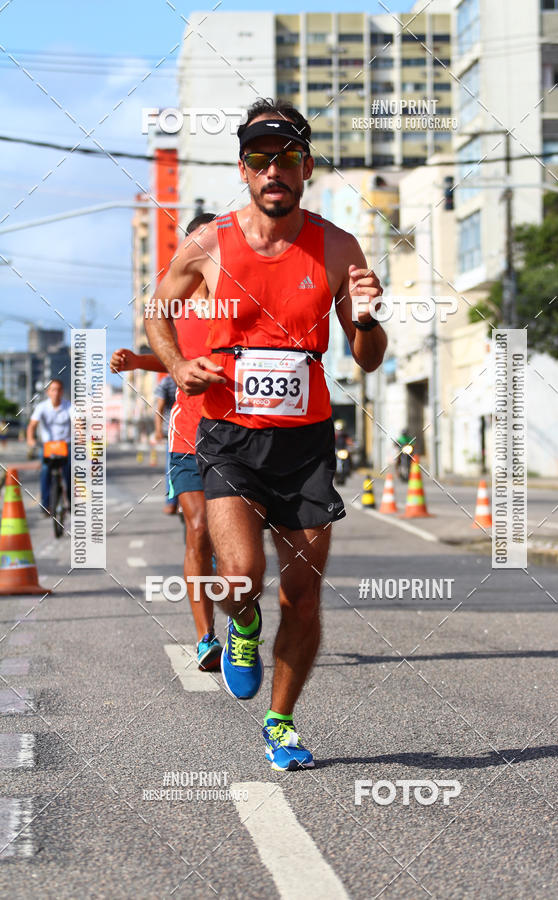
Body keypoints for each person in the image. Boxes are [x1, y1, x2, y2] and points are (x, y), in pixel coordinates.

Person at [145, 98, 387, 770]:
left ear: (306, 168)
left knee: (302, 596)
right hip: (229, 435)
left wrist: (368, 319)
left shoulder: (338, 248)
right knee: (241, 576)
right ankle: (242, 621)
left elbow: (368, 359)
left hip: (306, 444)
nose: (273, 170)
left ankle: (280, 724)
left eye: (286, 158)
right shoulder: (210, 244)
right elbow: (157, 311)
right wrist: (176, 364)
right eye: (259, 158)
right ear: (243, 169)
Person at [110, 214, 222, 670]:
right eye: (197, 243)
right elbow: (174, 358)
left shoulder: (238, 298)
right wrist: (139, 361)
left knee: (235, 543)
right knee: (199, 527)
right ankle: (206, 637)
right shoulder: (175, 302)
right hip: (188, 436)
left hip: (238, 436)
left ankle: (240, 612)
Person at [27, 379, 71, 516]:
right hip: (48, 446)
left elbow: (79, 423)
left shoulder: (69, 406)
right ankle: (45, 506)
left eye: (58, 389)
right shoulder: (42, 407)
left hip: (65, 445)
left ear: (62, 392)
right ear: (48, 392)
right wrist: (31, 439)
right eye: (53, 389)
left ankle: (71, 502)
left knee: (68, 471)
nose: (56, 392)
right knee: (45, 470)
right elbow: (32, 425)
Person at [154, 373, 178, 515]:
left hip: (191, 428)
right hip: (171, 430)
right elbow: (160, 408)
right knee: (171, 466)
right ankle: (171, 501)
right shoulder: (166, 382)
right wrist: (158, 430)